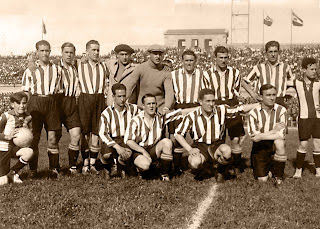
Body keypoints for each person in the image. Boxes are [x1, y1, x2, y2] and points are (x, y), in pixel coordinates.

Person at [175, 89, 258, 182]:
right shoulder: (192, 115)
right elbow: (178, 134)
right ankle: (204, 169)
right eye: (208, 101)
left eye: (213, 101)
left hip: (217, 145)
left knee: (227, 151)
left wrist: (259, 104)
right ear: (200, 101)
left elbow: (240, 109)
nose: (211, 104)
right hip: (200, 145)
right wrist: (189, 149)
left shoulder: (221, 110)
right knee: (195, 163)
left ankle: (220, 171)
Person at [124, 94, 194, 181]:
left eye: (153, 103)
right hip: (139, 150)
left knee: (167, 142)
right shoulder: (136, 120)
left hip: (153, 149)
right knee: (145, 165)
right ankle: (138, 169)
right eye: (148, 104)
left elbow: (181, 112)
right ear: (143, 106)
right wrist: (143, 151)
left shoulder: (160, 118)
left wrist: (200, 107)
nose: (151, 106)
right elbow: (129, 141)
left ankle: (164, 174)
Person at [21, 40, 61, 178]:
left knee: (52, 138)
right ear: (37, 52)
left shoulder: (57, 69)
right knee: (34, 138)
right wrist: (24, 110)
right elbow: (26, 92)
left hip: (51, 102)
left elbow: (60, 87)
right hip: (35, 103)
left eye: (47, 50)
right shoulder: (30, 70)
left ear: (50, 51)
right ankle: (33, 170)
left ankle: (53, 169)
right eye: (42, 50)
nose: (45, 53)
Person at [204, 46, 245, 175]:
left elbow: (236, 91)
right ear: (215, 58)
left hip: (231, 104)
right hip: (216, 105)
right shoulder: (207, 74)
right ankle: (219, 166)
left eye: (225, 57)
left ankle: (236, 166)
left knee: (235, 139)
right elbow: (207, 93)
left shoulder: (235, 72)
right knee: (218, 139)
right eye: (220, 57)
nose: (223, 60)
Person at [169, 49, 207, 175]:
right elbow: (171, 92)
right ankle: (177, 167)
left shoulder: (202, 74)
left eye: (191, 60)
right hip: (180, 107)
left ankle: (201, 164)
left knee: (199, 136)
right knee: (178, 138)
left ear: (195, 61)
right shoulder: (174, 74)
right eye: (186, 60)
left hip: (196, 107)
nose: (189, 63)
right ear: (182, 61)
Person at [78, 40, 109, 175]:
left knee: (96, 133)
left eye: (98, 50)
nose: (96, 52)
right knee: (84, 133)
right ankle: (85, 164)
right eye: (93, 50)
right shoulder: (79, 65)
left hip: (99, 99)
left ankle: (93, 164)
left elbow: (108, 82)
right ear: (87, 51)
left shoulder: (104, 66)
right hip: (85, 99)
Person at [247, 84, 287, 185]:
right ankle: (271, 168)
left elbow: (281, 135)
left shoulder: (282, 110)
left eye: (274, 94)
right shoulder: (253, 113)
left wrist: (261, 136)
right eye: (268, 95)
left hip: (274, 144)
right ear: (261, 97)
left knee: (280, 143)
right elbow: (255, 138)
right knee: (262, 180)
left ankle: (279, 177)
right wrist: (273, 131)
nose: (272, 97)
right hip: (260, 147)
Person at [99, 83, 140, 179]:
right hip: (111, 140)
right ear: (113, 97)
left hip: (125, 140)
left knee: (127, 153)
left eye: (124, 96)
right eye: (119, 96)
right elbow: (103, 133)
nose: (122, 99)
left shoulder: (133, 109)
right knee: (107, 155)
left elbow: (146, 113)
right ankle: (107, 166)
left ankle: (121, 165)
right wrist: (117, 147)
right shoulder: (106, 113)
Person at [55, 42, 81, 174]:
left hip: (71, 103)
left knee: (76, 135)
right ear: (61, 53)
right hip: (57, 103)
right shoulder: (54, 67)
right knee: (54, 138)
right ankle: (55, 167)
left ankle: (72, 166)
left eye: (71, 52)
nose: (69, 55)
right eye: (66, 52)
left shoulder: (74, 68)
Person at [242, 40, 294, 107]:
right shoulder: (259, 67)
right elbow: (244, 81)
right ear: (266, 53)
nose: (273, 54)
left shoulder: (285, 67)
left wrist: (282, 88)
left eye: (275, 51)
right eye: (270, 52)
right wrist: (253, 94)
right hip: (263, 101)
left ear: (279, 52)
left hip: (279, 100)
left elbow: (292, 81)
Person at [124, 44, 174, 114]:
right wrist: (123, 101)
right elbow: (130, 85)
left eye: (160, 54)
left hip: (159, 108)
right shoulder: (140, 68)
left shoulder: (165, 71)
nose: (158, 57)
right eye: (155, 54)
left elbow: (169, 91)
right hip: (142, 108)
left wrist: (167, 107)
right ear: (149, 54)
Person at [292, 57, 320, 178]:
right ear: (304, 69)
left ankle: (318, 170)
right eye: (312, 69)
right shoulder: (297, 83)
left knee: (318, 144)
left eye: (316, 69)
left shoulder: (318, 83)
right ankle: (298, 170)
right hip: (303, 118)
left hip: (317, 118)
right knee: (303, 144)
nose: (314, 71)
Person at [0, 92, 33, 185]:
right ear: (12, 104)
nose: (21, 106)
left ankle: (13, 173)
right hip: (3, 148)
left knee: (28, 152)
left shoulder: (28, 117)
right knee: (3, 181)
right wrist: (7, 136)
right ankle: (6, 176)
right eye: (18, 103)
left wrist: (27, 132)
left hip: (14, 148)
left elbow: (30, 134)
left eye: (24, 103)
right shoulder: (6, 116)